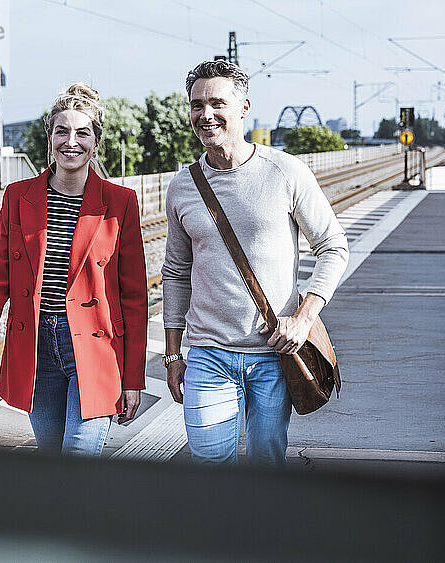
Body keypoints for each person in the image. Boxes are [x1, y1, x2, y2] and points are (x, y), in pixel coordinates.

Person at [161, 61, 349, 466]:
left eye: (217, 103)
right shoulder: (181, 187)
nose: (205, 114)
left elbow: (333, 246)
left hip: (272, 353)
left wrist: (303, 318)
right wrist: (173, 354)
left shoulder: (285, 172)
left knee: (266, 464)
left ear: (244, 107)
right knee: (210, 464)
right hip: (208, 354)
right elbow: (176, 273)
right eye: (196, 105)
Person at [0, 84, 148, 456]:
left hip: (95, 347)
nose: (70, 141)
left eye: (82, 132)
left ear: (96, 143)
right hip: (36, 346)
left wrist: (133, 376)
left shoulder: (120, 203)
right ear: (49, 138)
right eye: (62, 131)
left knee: (79, 453)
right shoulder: (18, 196)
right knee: (51, 457)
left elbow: (135, 297)